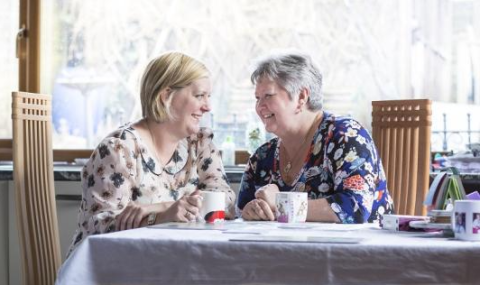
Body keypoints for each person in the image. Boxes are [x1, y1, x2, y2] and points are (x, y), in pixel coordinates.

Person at [67, 51, 236, 255]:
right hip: (111, 269)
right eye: (199, 95)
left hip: (175, 262)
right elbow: (100, 228)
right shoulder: (119, 149)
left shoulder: (199, 144)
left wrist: (159, 207)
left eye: (209, 97)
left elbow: (225, 199)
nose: (208, 106)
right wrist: (163, 214)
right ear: (166, 96)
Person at [237, 51, 394, 223]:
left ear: (301, 97)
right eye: (257, 98)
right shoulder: (262, 157)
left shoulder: (347, 136)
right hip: (286, 248)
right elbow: (241, 210)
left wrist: (281, 203)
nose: (259, 107)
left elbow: (355, 207)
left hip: (359, 248)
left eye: (268, 95)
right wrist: (251, 211)